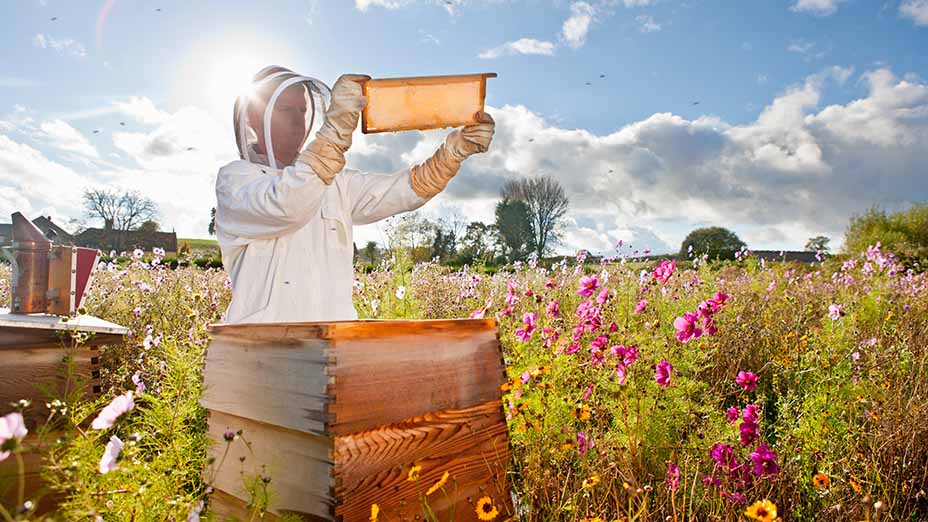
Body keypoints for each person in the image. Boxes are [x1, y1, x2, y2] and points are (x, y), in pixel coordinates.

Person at [214, 66, 495, 323]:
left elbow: (403, 190)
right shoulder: (236, 181)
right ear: (254, 117)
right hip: (260, 354)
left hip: (333, 345)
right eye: (286, 110)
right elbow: (287, 205)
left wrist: (453, 154)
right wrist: (335, 133)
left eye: (301, 111)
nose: (297, 121)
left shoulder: (336, 182)